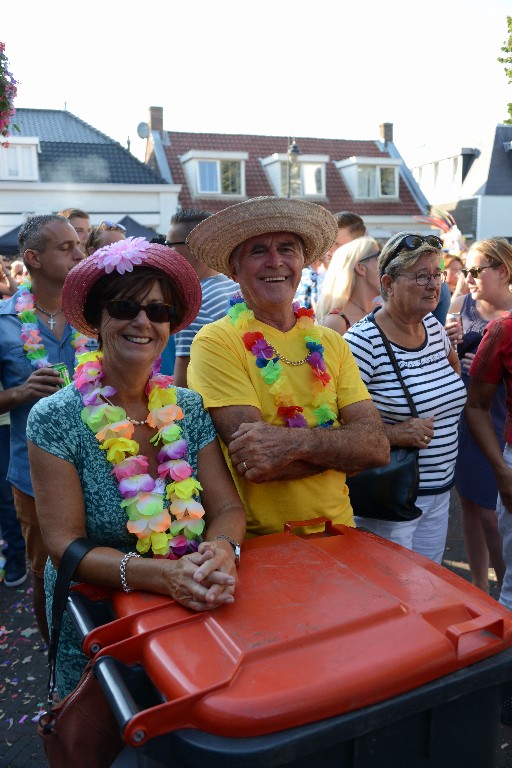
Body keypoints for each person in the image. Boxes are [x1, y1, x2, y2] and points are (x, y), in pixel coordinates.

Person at [26, 237, 246, 698]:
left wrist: (223, 550)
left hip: (187, 611)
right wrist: (167, 576)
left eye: (159, 311)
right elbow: (65, 545)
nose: (143, 321)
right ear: (98, 319)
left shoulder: (187, 407)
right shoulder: (54, 417)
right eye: (125, 306)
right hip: (99, 622)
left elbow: (227, 508)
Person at [186, 196, 389, 538]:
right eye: (257, 251)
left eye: (287, 248)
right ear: (234, 269)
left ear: (302, 262)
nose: (275, 261)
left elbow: (376, 448)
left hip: (340, 533)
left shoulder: (331, 341)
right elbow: (256, 462)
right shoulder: (216, 341)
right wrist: (342, 450)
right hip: (263, 544)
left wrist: (294, 445)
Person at [344, 232, 467, 563]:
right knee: (397, 596)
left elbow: (450, 380)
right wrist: (396, 433)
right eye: (421, 277)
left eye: (436, 275)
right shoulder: (361, 342)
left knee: (431, 592)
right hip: (392, 501)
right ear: (388, 282)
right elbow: (333, 425)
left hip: (440, 491)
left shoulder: (434, 328)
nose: (434, 285)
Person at [0, 214, 86, 641]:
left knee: (103, 564)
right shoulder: (3, 323)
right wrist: (19, 392)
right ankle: (54, 657)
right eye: (66, 247)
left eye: (78, 243)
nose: (79, 252)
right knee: (47, 572)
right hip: (33, 475)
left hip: (102, 464)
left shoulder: (96, 313)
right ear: (32, 258)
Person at [453, 239, 512, 597]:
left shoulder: (509, 323)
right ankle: (476, 584)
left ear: (503, 271)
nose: (468, 279)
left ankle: (505, 584)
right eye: (465, 271)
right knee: (470, 502)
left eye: (476, 271)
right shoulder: (460, 306)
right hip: (468, 412)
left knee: (494, 511)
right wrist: (448, 348)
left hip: (502, 412)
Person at [166, 210, 239, 387]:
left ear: (196, 246)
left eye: (170, 244)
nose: (167, 252)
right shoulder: (236, 287)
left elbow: (183, 386)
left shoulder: (194, 303)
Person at [294, 210, 367, 311]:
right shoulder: (309, 280)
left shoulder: (368, 281)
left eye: (337, 245)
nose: (329, 250)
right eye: (329, 243)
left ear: (358, 247)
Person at [315, 236, 381, 334]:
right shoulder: (336, 323)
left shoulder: (383, 312)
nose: (386, 267)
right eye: (380, 258)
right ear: (360, 267)